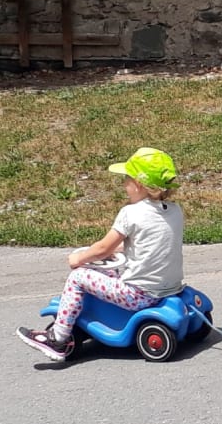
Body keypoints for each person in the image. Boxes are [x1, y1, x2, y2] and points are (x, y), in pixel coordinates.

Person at [18, 147, 186, 360]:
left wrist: (79, 258)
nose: (124, 184)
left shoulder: (131, 213)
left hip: (138, 295)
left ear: (138, 184)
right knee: (110, 269)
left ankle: (58, 338)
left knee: (78, 277)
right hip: (170, 288)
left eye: (126, 179)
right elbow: (147, 244)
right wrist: (114, 252)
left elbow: (102, 249)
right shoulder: (174, 211)